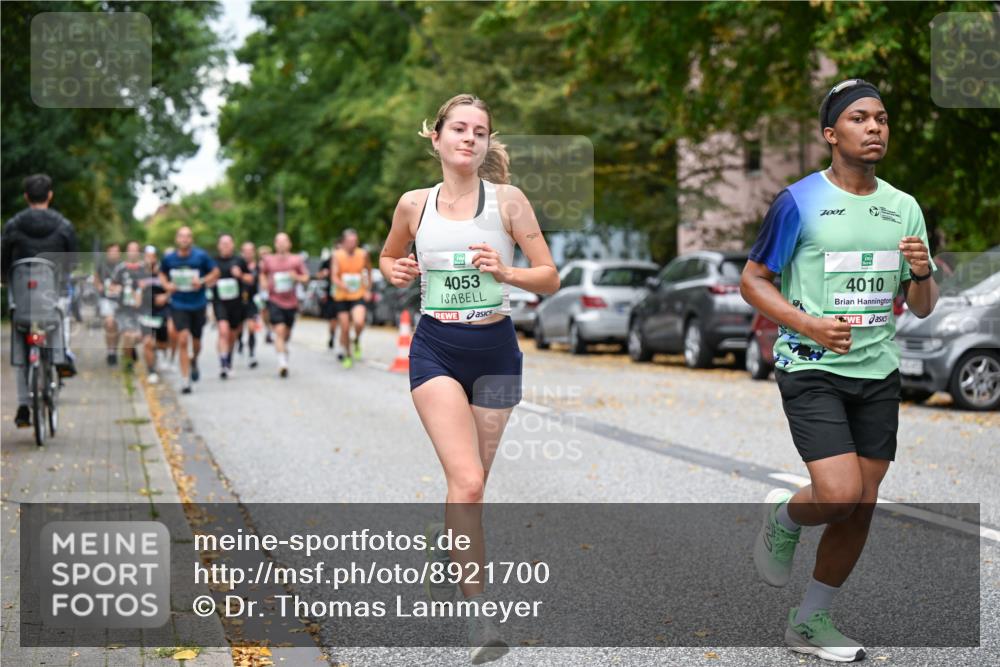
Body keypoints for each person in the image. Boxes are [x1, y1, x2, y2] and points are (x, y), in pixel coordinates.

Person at [741, 79, 938, 663]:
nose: (874, 127)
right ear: (832, 134)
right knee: (838, 492)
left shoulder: (904, 208)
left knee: (863, 501)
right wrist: (807, 325)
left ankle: (810, 621)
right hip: (813, 366)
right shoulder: (797, 201)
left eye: (881, 118)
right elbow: (753, 280)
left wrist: (924, 273)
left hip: (878, 371)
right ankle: (785, 517)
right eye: (859, 118)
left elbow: (923, 304)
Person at [379, 94, 559, 663]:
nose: (469, 139)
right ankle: (478, 620)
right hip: (436, 350)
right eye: (459, 128)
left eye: (479, 132)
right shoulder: (414, 204)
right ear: (435, 137)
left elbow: (549, 277)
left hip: (498, 354)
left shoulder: (508, 202)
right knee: (470, 484)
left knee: (472, 482)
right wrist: (397, 269)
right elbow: (387, 258)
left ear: (487, 143)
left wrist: (506, 271)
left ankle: (448, 547)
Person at [1, 174, 78, 428]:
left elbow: (3, 259)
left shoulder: (13, 224)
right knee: (56, 319)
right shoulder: (64, 225)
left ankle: (24, 405)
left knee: (20, 339)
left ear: (26, 197)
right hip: (51, 293)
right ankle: (60, 358)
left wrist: (4, 279)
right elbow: (72, 261)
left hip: (22, 295)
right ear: (50, 195)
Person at [159, 227, 219, 394]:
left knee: (197, 343)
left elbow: (215, 272)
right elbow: (161, 274)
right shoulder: (169, 259)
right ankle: (185, 381)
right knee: (183, 339)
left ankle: (194, 361)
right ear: (177, 239)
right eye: (182, 236)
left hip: (198, 304)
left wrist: (201, 280)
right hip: (179, 304)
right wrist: (166, 285)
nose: (185, 239)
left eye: (188, 237)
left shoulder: (201, 256)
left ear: (191, 240)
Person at [259, 233, 308, 377]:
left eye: (284, 241)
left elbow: (305, 277)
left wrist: (297, 277)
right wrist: (263, 282)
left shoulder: (296, 260)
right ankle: (282, 363)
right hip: (274, 300)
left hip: (291, 302)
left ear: (289, 244)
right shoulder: (269, 260)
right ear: (275, 244)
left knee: (286, 334)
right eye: (278, 242)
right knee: (279, 331)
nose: (281, 244)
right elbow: (262, 273)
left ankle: (283, 349)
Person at [330, 229, 372, 369]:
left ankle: (356, 340)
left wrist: (368, 289)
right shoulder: (337, 255)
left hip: (358, 294)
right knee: (345, 327)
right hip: (341, 296)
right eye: (349, 241)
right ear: (343, 242)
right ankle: (348, 354)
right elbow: (334, 276)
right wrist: (342, 284)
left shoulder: (363, 254)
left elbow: (369, 270)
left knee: (359, 322)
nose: (352, 244)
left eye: (355, 241)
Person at [211, 233, 249, 379]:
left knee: (232, 335)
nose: (226, 246)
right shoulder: (213, 262)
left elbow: (250, 278)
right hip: (219, 302)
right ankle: (223, 363)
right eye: (223, 243)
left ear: (233, 245)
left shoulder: (239, 261)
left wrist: (240, 275)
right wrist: (211, 280)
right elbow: (206, 280)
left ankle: (228, 359)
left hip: (236, 303)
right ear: (219, 246)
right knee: (223, 331)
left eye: (228, 243)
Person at [109, 241, 146, 371]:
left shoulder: (145, 268)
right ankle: (128, 364)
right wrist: (116, 288)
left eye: (135, 250)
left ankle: (130, 350)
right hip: (124, 309)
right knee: (127, 335)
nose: (132, 252)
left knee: (140, 337)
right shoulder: (120, 268)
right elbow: (112, 286)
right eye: (130, 249)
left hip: (142, 310)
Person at [137, 245, 170, 384]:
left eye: (151, 256)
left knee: (163, 343)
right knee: (147, 342)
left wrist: (166, 296)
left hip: (162, 311)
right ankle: (151, 370)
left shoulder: (163, 273)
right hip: (145, 311)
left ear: (155, 257)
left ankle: (160, 352)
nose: (149, 259)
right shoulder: (138, 273)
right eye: (146, 256)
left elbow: (173, 287)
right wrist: (137, 294)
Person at [94, 242, 121, 366]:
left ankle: (114, 349)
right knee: (110, 324)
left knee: (117, 327)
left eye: (116, 251)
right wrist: (99, 286)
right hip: (106, 299)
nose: (114, 254)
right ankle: (110, 352)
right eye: (111, 251)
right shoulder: (102, 265)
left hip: (121, 300)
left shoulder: (122, 266)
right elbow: (96, 278)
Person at [236, 240, 261, 369]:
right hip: (238, 301)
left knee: (252, 327)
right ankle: (239, 342)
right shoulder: (237, 265)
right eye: (245, 251)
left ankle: (252, 354)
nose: (248, 253)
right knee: (239, 327)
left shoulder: (258, 267)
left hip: (252, 300)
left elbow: (259, 281)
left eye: (250, 251)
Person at [257, 244, 275, 344]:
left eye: (266, 254)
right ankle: (268, 330)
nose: (264, 256)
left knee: (272, 312)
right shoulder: (258, 265)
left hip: (272, 292)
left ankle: (271, 332)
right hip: (261, 293)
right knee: (264, 312)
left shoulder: (273, 264)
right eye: (262, 254)